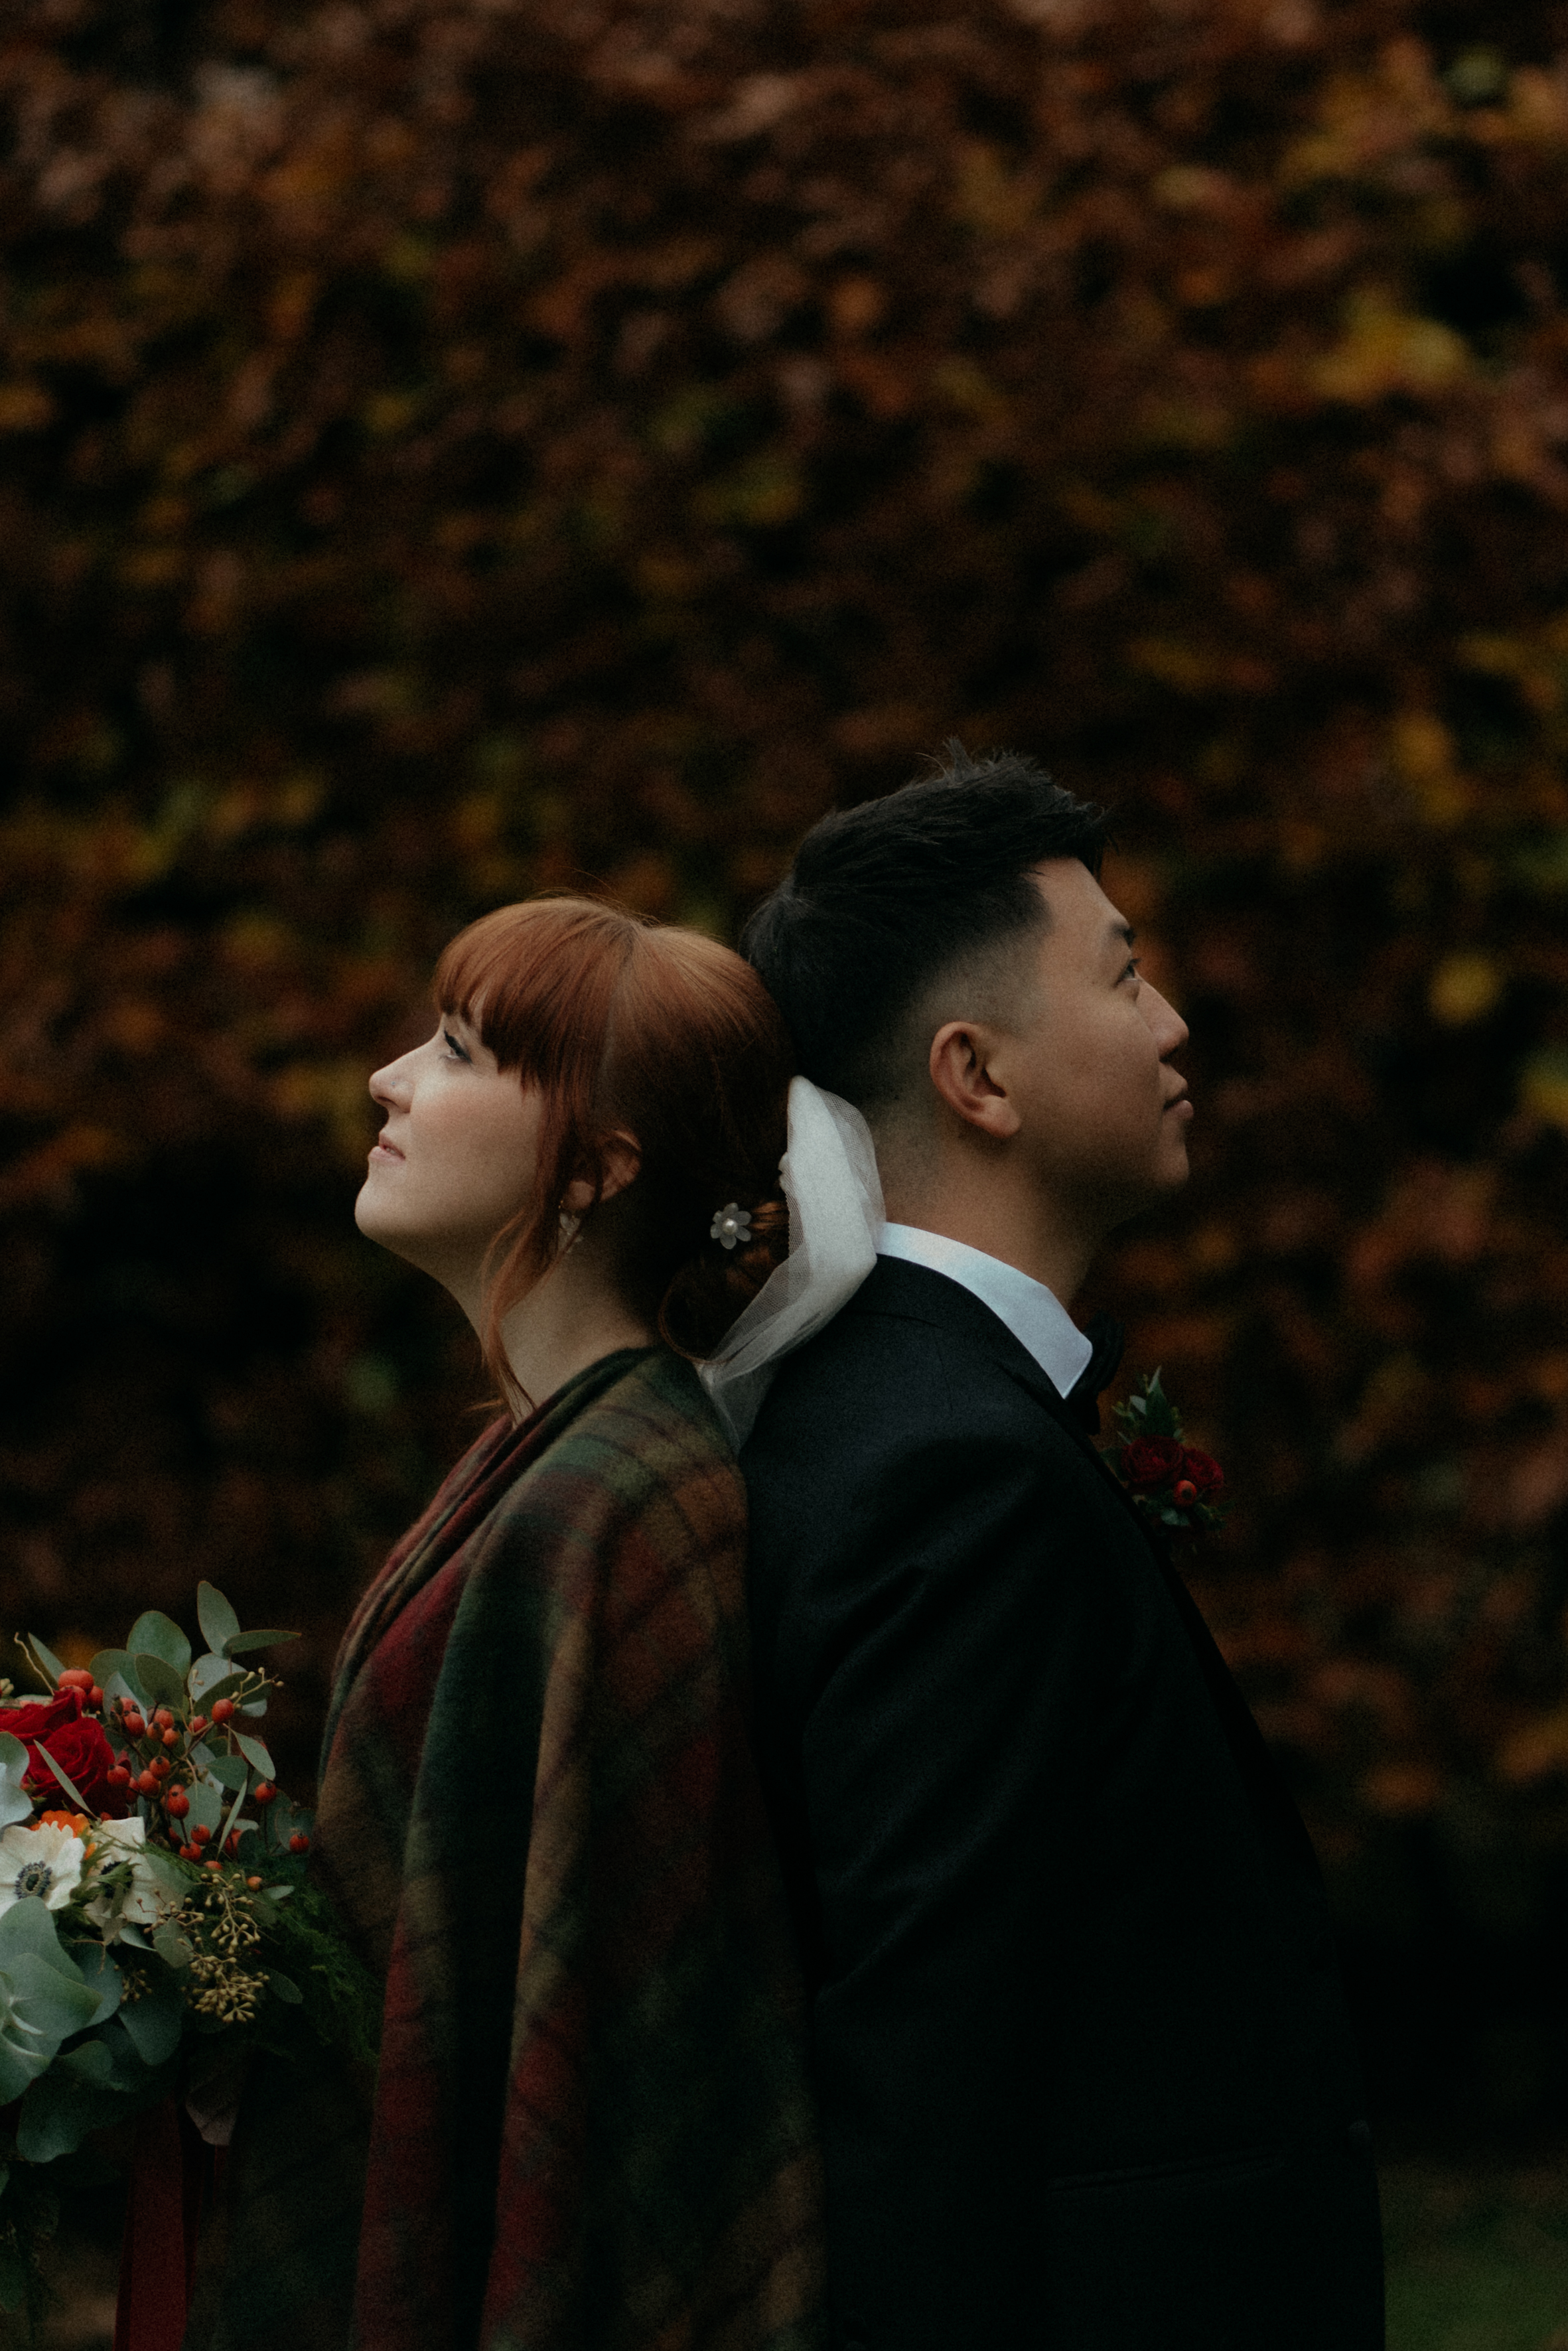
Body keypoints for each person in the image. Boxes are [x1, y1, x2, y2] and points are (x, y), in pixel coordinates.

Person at [733, 747, 1386, 2351]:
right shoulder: (948, 1468)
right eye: (1123, 973)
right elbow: (930, 2059)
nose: (1173, 1023)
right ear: (978, 1074)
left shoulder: (900, 1411)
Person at [186, 896, 825, 2351]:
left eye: (459, 1051)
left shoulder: (622, 1502)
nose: (389, 1078)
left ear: (597, 1167)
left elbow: (614, 2036)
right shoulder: (547, 1452)